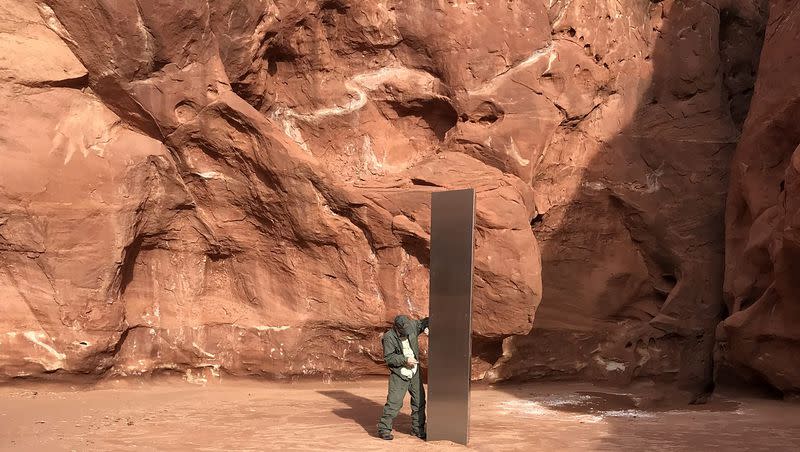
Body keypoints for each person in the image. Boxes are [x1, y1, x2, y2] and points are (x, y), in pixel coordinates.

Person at [376, 314, 429, 441]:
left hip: (415, 372)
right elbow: (389, 358)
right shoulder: (389, 337)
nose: (407, 332)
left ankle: (418, 430)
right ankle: (384, 429)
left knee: (419, 402)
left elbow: (426, 321)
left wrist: (427, 326)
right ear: (397, 328)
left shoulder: (412, 326)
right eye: (404, 331)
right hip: (400, 373)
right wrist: (405, 360)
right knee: (394, 403)